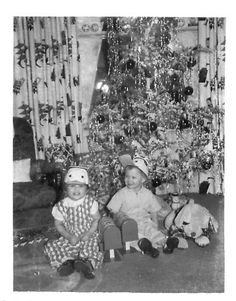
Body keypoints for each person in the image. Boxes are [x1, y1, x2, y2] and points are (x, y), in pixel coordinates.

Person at [44, 167, 104, 279]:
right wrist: (68, 236)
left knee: (90, 248)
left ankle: (88, 264)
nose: (76, 189)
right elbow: (58, 224)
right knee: (52, 245)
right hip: (69, 236)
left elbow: (96, 219)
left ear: (86, 189)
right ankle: (67, 263)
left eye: (80, 186)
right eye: (72, 185)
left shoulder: (90, 203)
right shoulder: (61, 205)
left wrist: (88, 234)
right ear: (66, 188)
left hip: (87, 235)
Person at [107, 155, 170, 258]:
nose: (129, 180)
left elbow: (153, 210)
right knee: (133, 237)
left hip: (144, 221)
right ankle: (146, 247)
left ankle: (165, 243)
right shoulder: (121, 193)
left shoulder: (148, 194)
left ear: (143, 179)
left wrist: (155, 224)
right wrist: (119, 220)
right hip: (129, 224)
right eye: (127, 176)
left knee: (152, 231)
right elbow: (113, 210)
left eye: (133, 177)